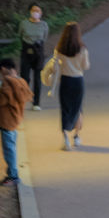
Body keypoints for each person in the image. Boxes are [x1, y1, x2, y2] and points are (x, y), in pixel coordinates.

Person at [43, 21, 90, 151]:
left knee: (65, 109)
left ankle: (65, 140)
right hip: (78, 81)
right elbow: (85, 66)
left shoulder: (59, 49)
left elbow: (56, 66)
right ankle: (76, 137)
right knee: (78, 109)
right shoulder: (82, 49)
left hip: (66, 81)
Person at [0, 58, 31, 185]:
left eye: (1, 71)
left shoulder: (7, 83)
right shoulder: (21, 81)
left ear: (4, 69)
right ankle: (12, 174)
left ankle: (13, 176)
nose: (1, 74)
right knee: (12, 147)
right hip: (16, 118)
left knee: (9, 149)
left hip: (6, 119)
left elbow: (1, 100)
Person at [18, 3, 49, 111]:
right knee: (24, 78)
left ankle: (36, 103)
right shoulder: (24, 23)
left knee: (37, 79)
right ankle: (22, 101)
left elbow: (44, 38)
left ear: (41, 13)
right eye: (33, 10)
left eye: (38, 11)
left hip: (38, 53)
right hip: (26, 52)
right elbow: (20, 35)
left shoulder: (44, 25)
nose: (35, 12)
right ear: (30, 11)